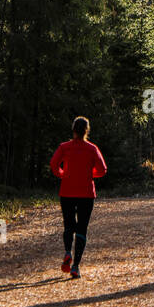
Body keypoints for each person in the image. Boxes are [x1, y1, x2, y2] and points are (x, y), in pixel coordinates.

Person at [50, 117, 106, 278]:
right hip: (86, 193)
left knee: (68, 225)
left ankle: (68, 251)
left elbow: (54, 165)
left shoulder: (64, 147)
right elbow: (102, 170)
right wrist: (89, 174)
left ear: (73, 129)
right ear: (87, 131)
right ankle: (75, 266)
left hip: (67, 191)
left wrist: (63, 174)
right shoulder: (92, 148)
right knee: (82, 228)